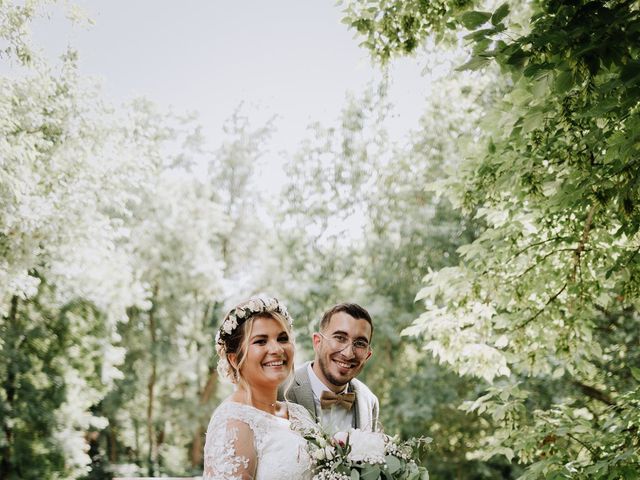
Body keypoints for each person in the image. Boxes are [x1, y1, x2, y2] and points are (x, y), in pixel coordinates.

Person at [202, 296, 314, 480]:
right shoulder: (233, 422)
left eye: (282, 338)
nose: (277, 349)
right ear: (234, 359)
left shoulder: (298, 413)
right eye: (261, 341)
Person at [280, 303, 379, 433]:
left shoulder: (369, 402)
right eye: (340, 338)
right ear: (317, 342)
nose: (348, 354)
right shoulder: (279, 390)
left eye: (360, 343)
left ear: (368, 354)